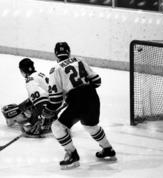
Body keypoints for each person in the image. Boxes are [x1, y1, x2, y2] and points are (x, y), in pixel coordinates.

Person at [40, 42, 116, 170]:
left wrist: (48, 111)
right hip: (92, 96)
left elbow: (56, 99)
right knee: (90, 125)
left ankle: (72, 155)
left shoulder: (55, 70)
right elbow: (97, 81)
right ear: (69, 52)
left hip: (77, 100)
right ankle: (108, 149)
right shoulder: (79, 60)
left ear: (56, 54)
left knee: (57, 127)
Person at [2, 58, 56, 138]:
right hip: (55, 105)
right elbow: (41, 96)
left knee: (13, 112)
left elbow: (40, 100)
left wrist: (42, 120)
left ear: (22, 71)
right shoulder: (39, 74)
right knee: (18, 109)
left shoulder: (30, 80)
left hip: (50, 111)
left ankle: (48, 122)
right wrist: (21, 107)